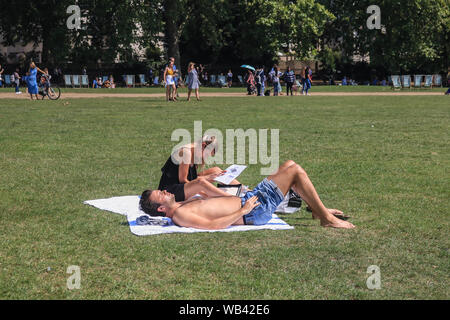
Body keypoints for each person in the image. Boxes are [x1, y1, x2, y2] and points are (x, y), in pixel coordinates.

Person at [140, 160, 355, 230]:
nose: (165, 190)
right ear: (161, 208)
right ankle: (326, 218)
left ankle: (321, 211)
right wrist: (242, 210)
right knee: (295, 170)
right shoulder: (180, 216)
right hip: (254, 209)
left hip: (251, 198)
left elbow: (209, 199)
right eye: (161, 194)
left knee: (289, 165)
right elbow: (214, 225)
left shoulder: (181, 204)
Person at [156, 135, 240, 202]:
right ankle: (231, 198)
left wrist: (209, 178)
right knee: (201, 183)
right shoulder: (186, 152)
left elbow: (191, 178)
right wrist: (204, 192)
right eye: (207, 154)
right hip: (169, 190)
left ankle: (245, 190)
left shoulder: (196, 151)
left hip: (182, 186)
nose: (206, 157)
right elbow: (183, 180)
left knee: (216, 170)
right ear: (203, 145)